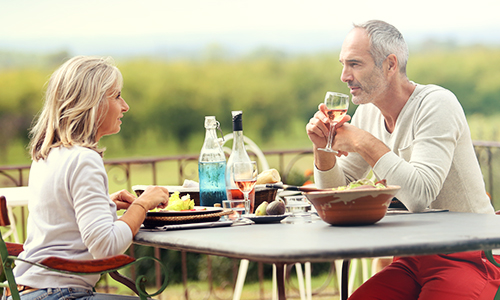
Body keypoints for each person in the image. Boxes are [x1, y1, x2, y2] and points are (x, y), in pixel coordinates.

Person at [306, 20, 500, 299]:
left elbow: (420, 195)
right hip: (412, 256)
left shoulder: (436, 104)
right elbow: (337, 189)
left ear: (390, 65)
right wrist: (323, 148)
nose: (344, 75)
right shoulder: (369, 113)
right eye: (342, 64)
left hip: (470, 254)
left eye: (355, 64)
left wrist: (363, 142)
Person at [7, 56, 170, 300]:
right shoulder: (84, 159)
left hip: (25, 292)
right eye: (116, 96)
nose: (125, 106)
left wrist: (106, 204)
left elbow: (61, 215)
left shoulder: (48, 154)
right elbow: (106, 247)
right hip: (60, 294)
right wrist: (142, 204)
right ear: (91, 104)